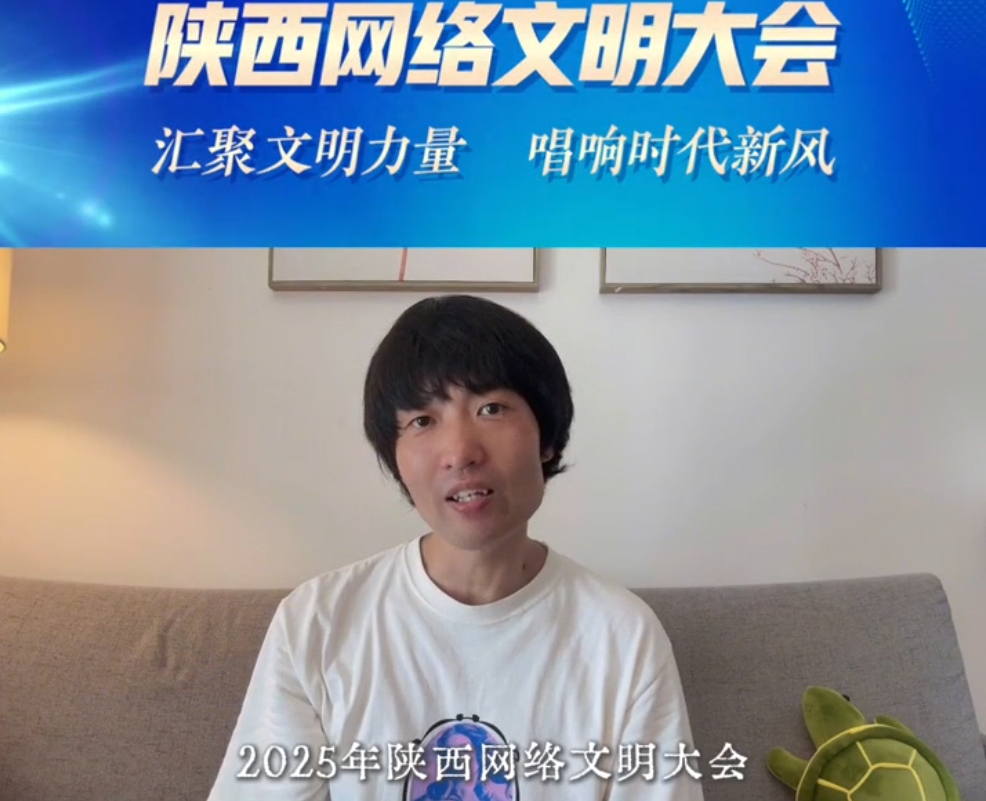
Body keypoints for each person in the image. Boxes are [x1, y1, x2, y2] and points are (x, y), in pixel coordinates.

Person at [207, 295, 704, 801]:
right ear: (396, 460)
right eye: (423, 420)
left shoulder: (622, 636)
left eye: (492, 408)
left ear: (547, 439)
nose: (460, 452)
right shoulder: (317, 624)